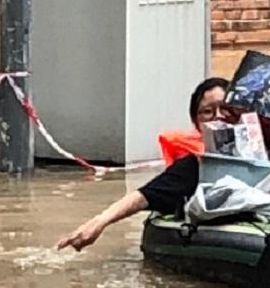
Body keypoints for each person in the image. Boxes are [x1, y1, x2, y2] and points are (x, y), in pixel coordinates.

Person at [56, 78, 233, 252]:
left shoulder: (260, 153)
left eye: (225, 109)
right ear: (197, 123)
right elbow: (144, 195)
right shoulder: (194, 166)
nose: (218, 116)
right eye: (208, 112)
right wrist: (98, 223)